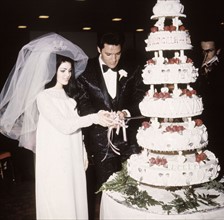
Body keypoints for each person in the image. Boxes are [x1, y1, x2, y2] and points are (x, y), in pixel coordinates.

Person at [0, 33, 112, 219]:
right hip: (56, 158)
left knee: (75, 196)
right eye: (62, 70)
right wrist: (94, 117)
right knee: (60, 200)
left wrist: (83, 152)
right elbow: (64, 126)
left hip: (73, 154)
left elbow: (77, 130)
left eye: (69, 70)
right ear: (52, 71)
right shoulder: (44, 97)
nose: (67, 75)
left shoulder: (69, 97)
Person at [75, 32, 149, 220]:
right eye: (108, 54)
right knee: (108, 190)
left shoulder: (133, 68)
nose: (114, 59)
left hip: (130, 141)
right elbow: (82, 103)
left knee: (135, 188)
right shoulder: (84, 70)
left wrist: (127, 112)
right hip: (101, 143)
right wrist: (98, 115)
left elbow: (141, 97)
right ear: (99, 49)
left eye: (117, 53)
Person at [195, 34, 224, 176]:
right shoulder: (197, 66)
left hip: (219, 117)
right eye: (203, 51)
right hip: (201, 116)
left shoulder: (222, 68)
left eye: (210, 51)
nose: (206, 54)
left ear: (217, 51)